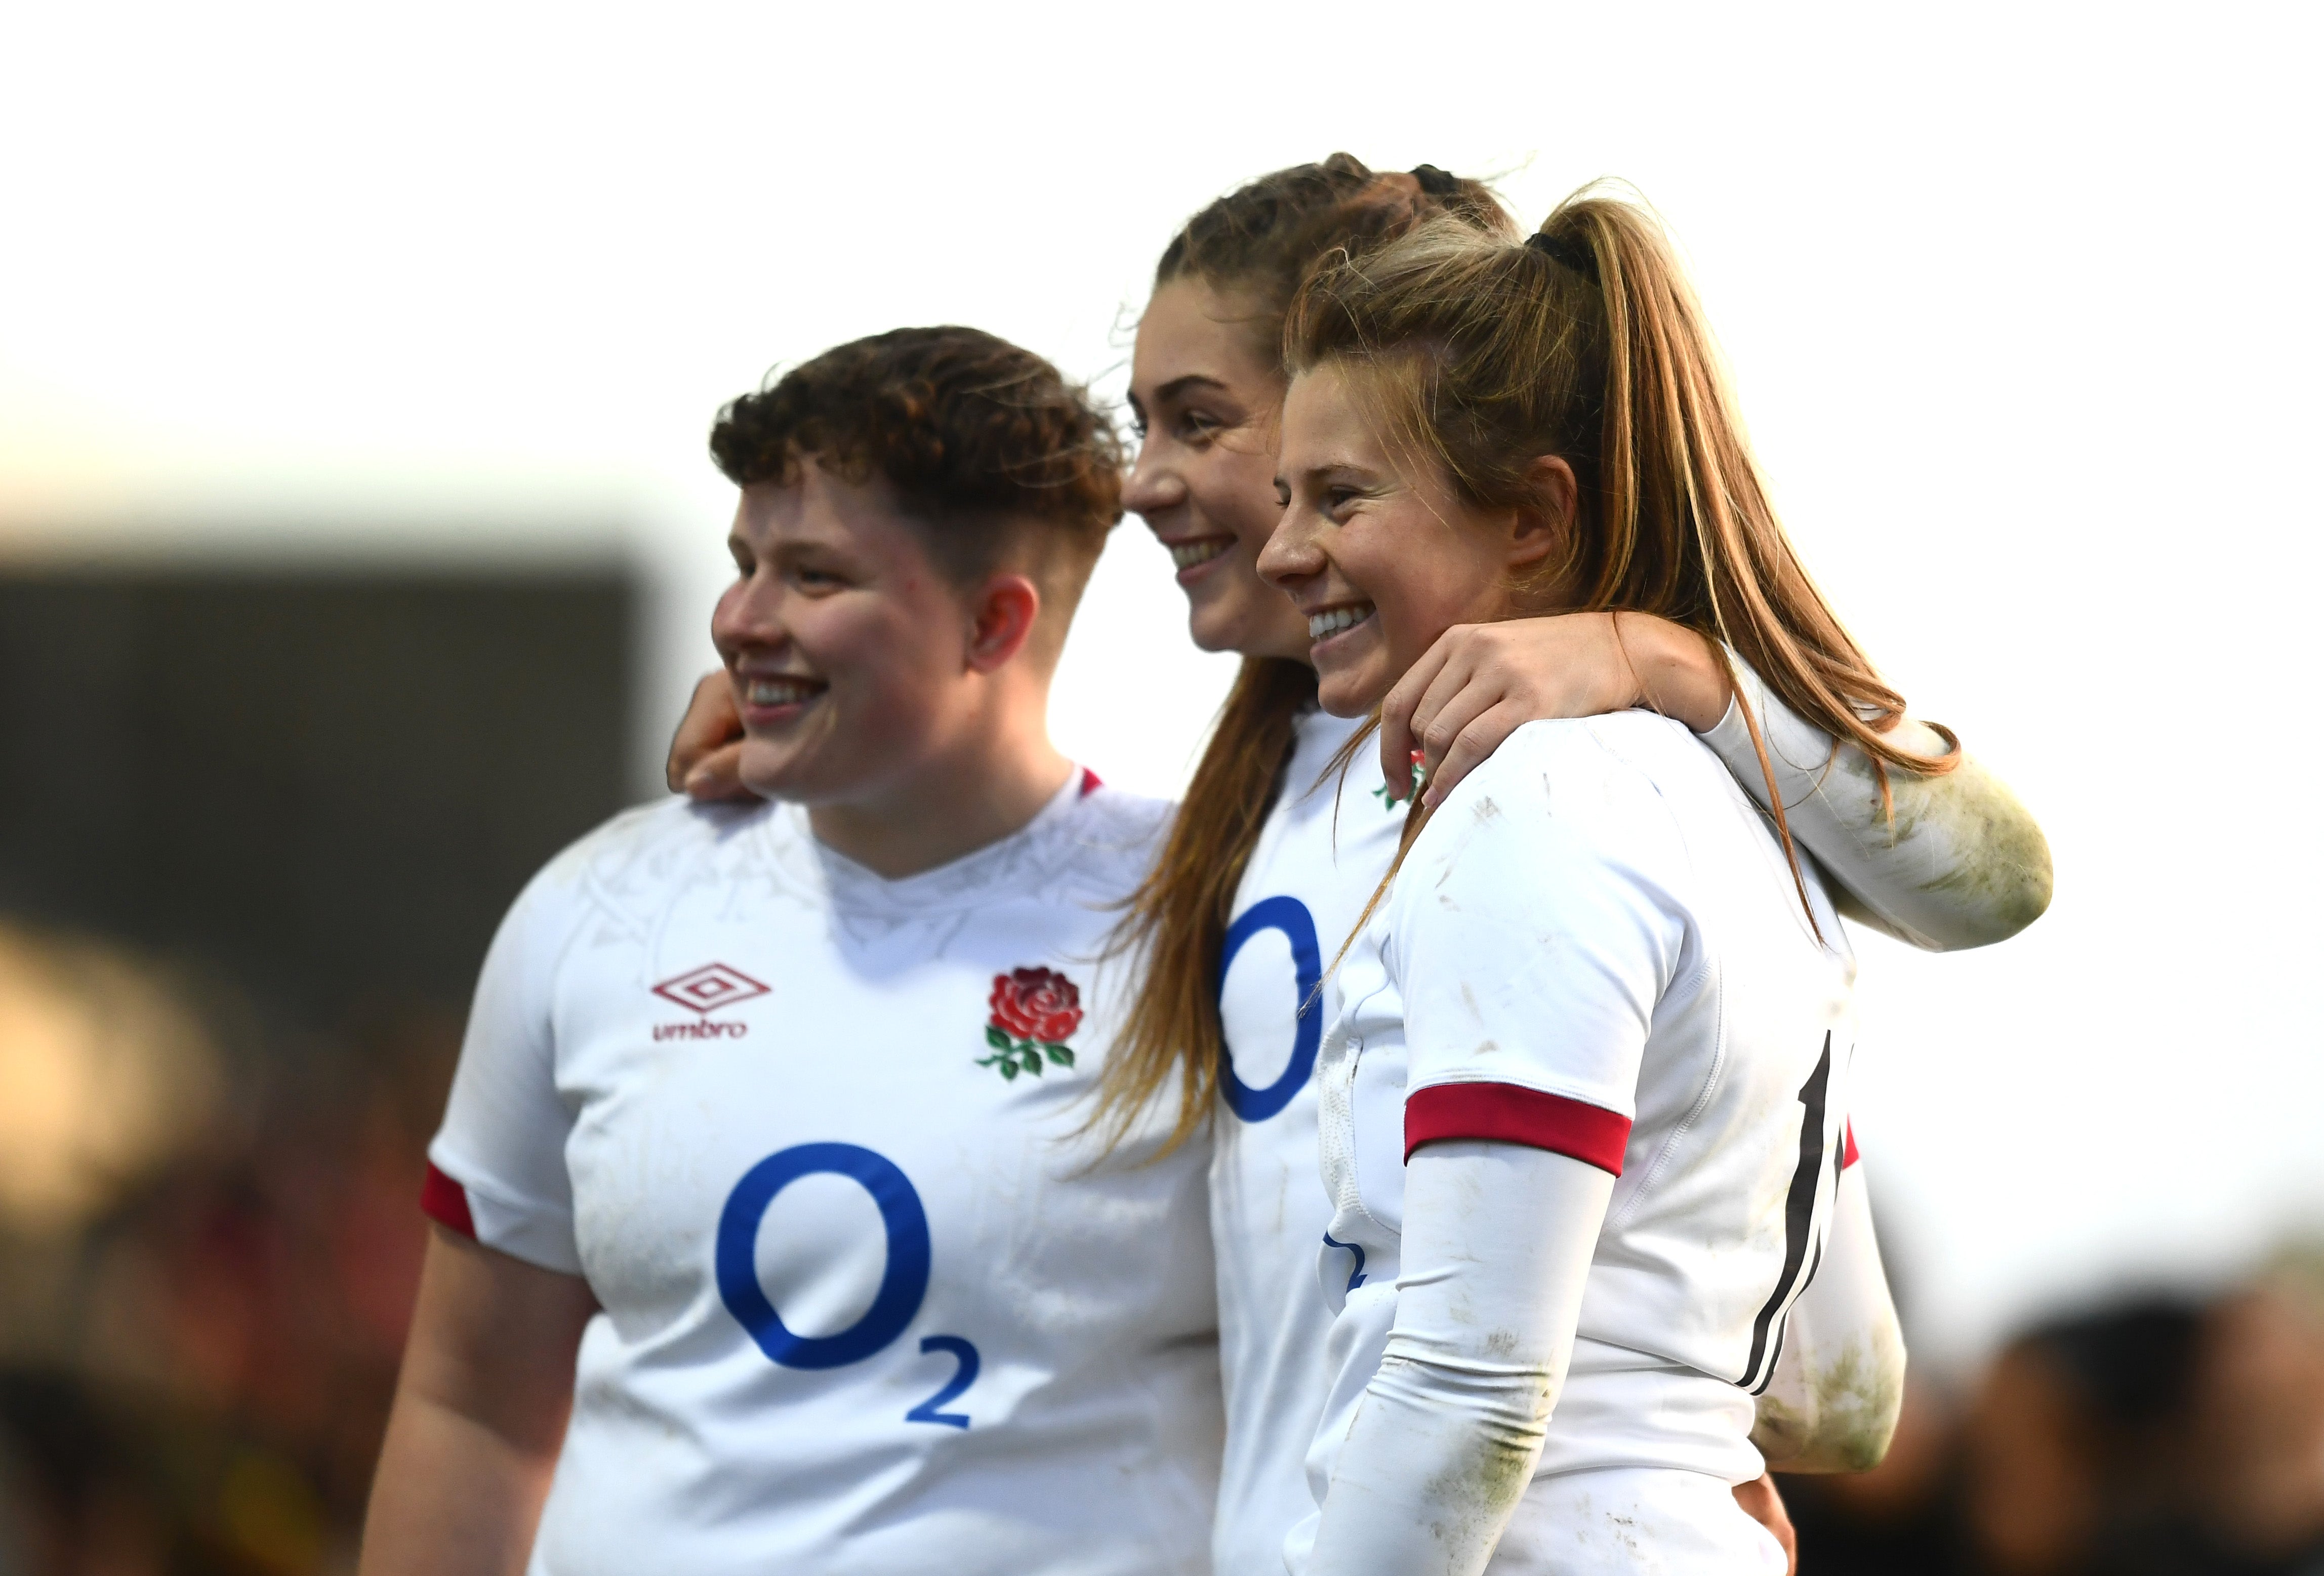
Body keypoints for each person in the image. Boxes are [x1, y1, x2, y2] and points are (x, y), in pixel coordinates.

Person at [671, 157, 2052, 1573]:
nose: (1148, 480)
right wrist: (821, 728)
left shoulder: (1551, 788)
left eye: (1203, 424)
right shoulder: (1248, 814)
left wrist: (1671, 660)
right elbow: (1830, 1386)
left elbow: (1991, 885)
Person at [359, 328, 1222, 1575]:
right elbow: (470, 1408)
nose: (739, 620)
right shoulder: (599, 910)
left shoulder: (1204, 914)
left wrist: (1621, 651)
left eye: (812, 577)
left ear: (994, 624)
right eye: (743, 562)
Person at [1252, 185, 2002, 1575]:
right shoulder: (1752, 812)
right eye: (1286, 496)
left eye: (1339, 498)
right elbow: (1840, 1395)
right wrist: (1677, 1455)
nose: (1282, 549)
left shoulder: (1534, 807)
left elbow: (1467, 1396)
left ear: (1533, 517)